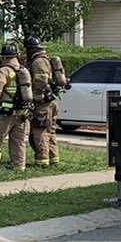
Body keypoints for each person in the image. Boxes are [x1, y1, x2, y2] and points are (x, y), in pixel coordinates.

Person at [26, 37, 70, 166]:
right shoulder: (46, 59)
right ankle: (53, 158)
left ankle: (42, 160)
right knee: (50, 131)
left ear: (31, 49)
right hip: (51, 102)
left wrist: (36, 98)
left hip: (43, 104)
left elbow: (40, 81)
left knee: (40, 131)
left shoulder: (38, 62)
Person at [0, 43, 24, 168]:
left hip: (5, 111)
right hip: (22, 111)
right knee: (18, 140)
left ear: (4, 57)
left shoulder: (4, 70)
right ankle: (19, 165)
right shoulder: (24, 70)